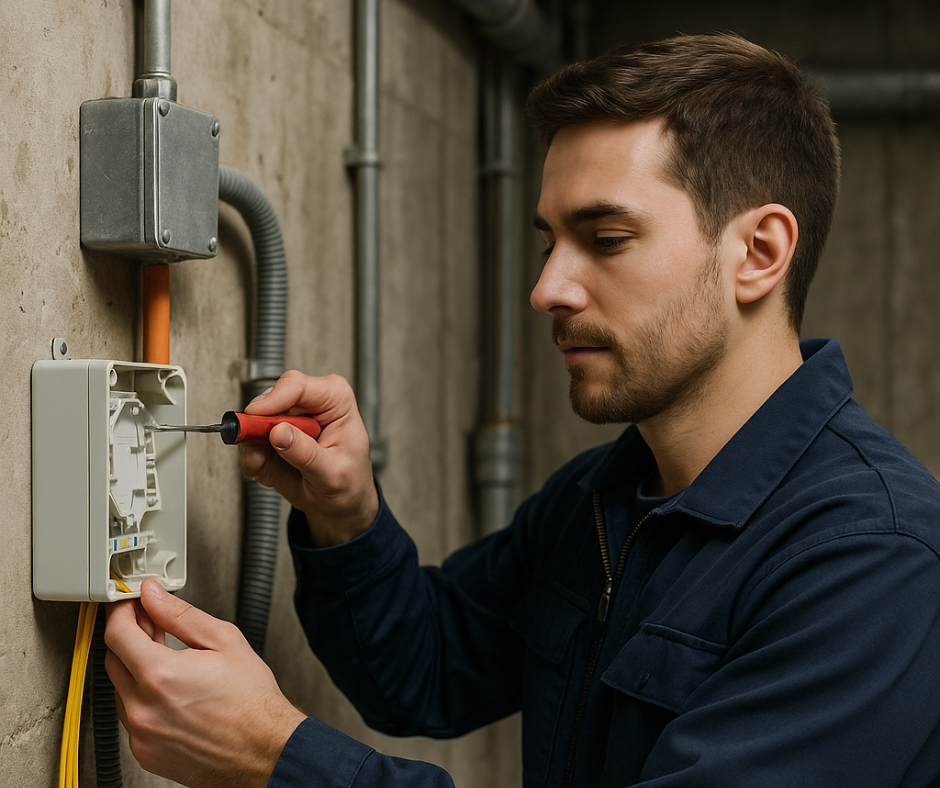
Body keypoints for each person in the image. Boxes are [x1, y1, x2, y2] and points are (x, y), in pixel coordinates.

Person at [105, 32, 940, 788]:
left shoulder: (876, 564)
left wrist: (277, 758)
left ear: (758, 253)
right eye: (549, 243)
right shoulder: (603, 500)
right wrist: (346, 517)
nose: (547, 289)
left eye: (605, 238)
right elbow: (426, 669)